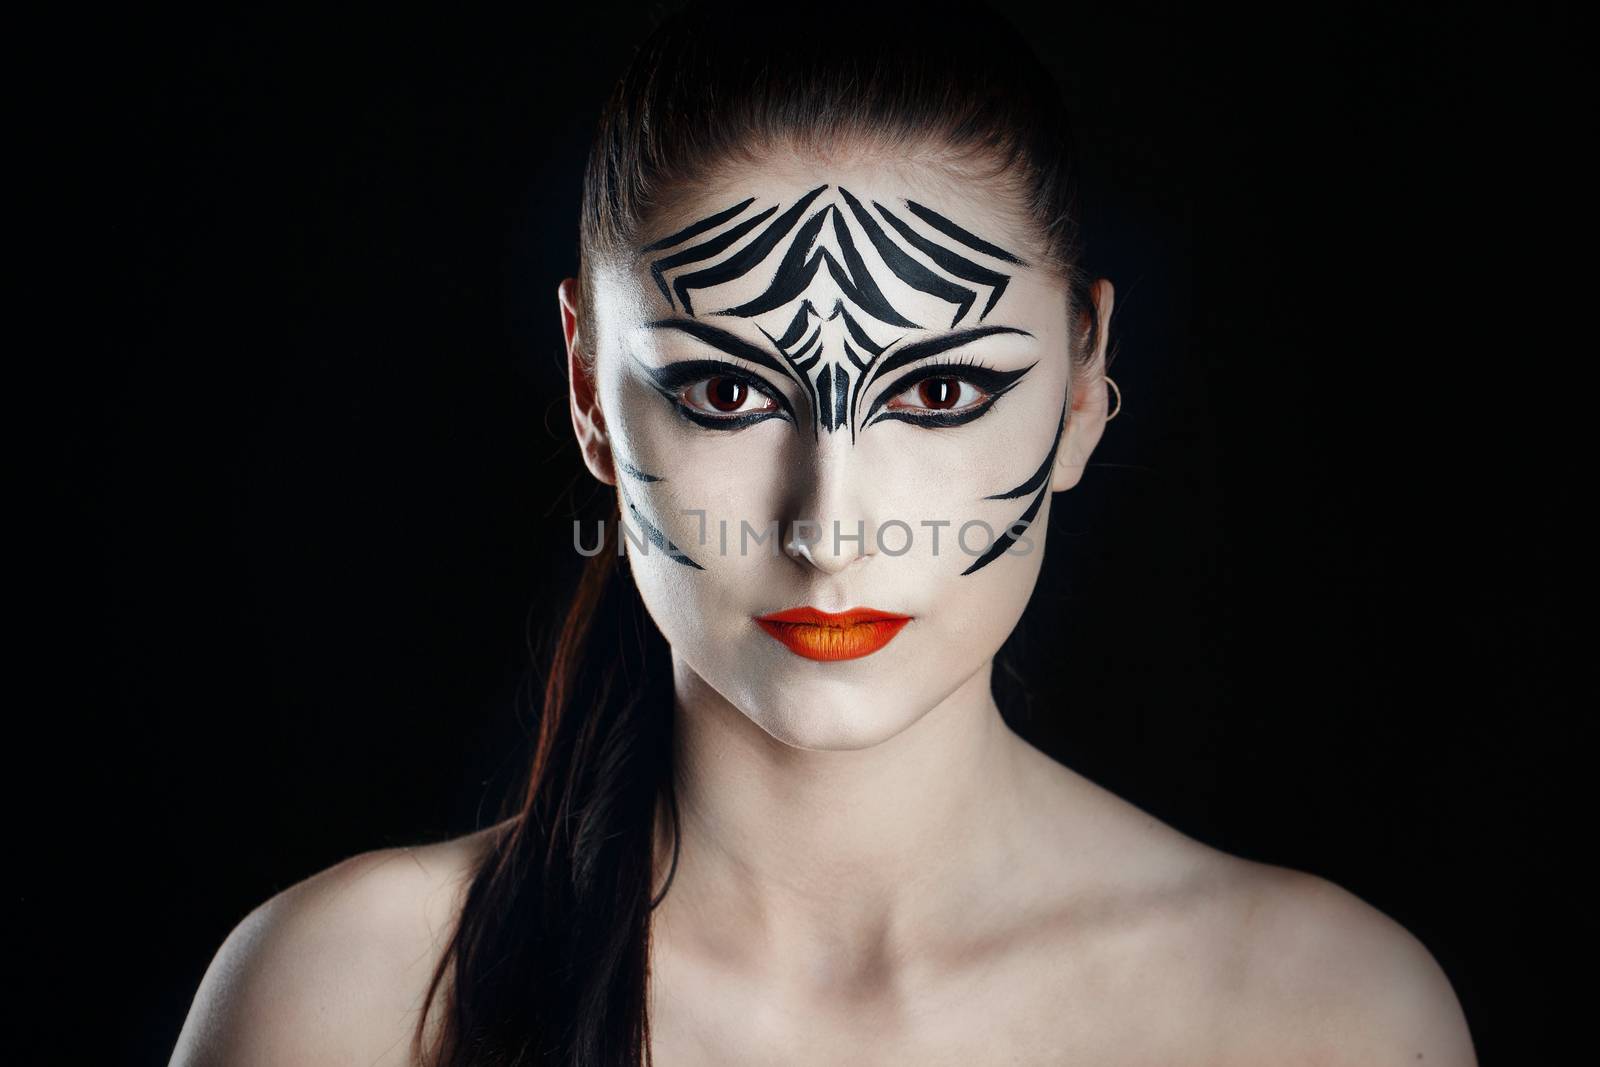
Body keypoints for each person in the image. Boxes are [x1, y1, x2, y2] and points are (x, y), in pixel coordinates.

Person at [170, 2, 1477, 1063]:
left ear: (1084, 383)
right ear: (588, 388)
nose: (830, 529)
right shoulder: (349, 1004)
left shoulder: (1325, 1020)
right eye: (729, 391)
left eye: (939, 391)